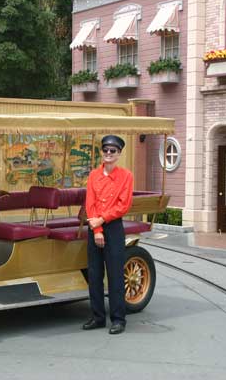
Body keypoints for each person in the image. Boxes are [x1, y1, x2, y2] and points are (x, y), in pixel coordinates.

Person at [82, 135, 134, 335]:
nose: (109, 154)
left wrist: (101, 221)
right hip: (95, 226)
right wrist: (96, 229)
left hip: (112, 227)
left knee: (115, 275)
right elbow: (90, 203)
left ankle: (118, 319)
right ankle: (97, 317)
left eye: (113, 151)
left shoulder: (126, 176)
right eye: (106, 150)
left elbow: (123, 205)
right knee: (94, 274)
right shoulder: (94, 175)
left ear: (119, 153)